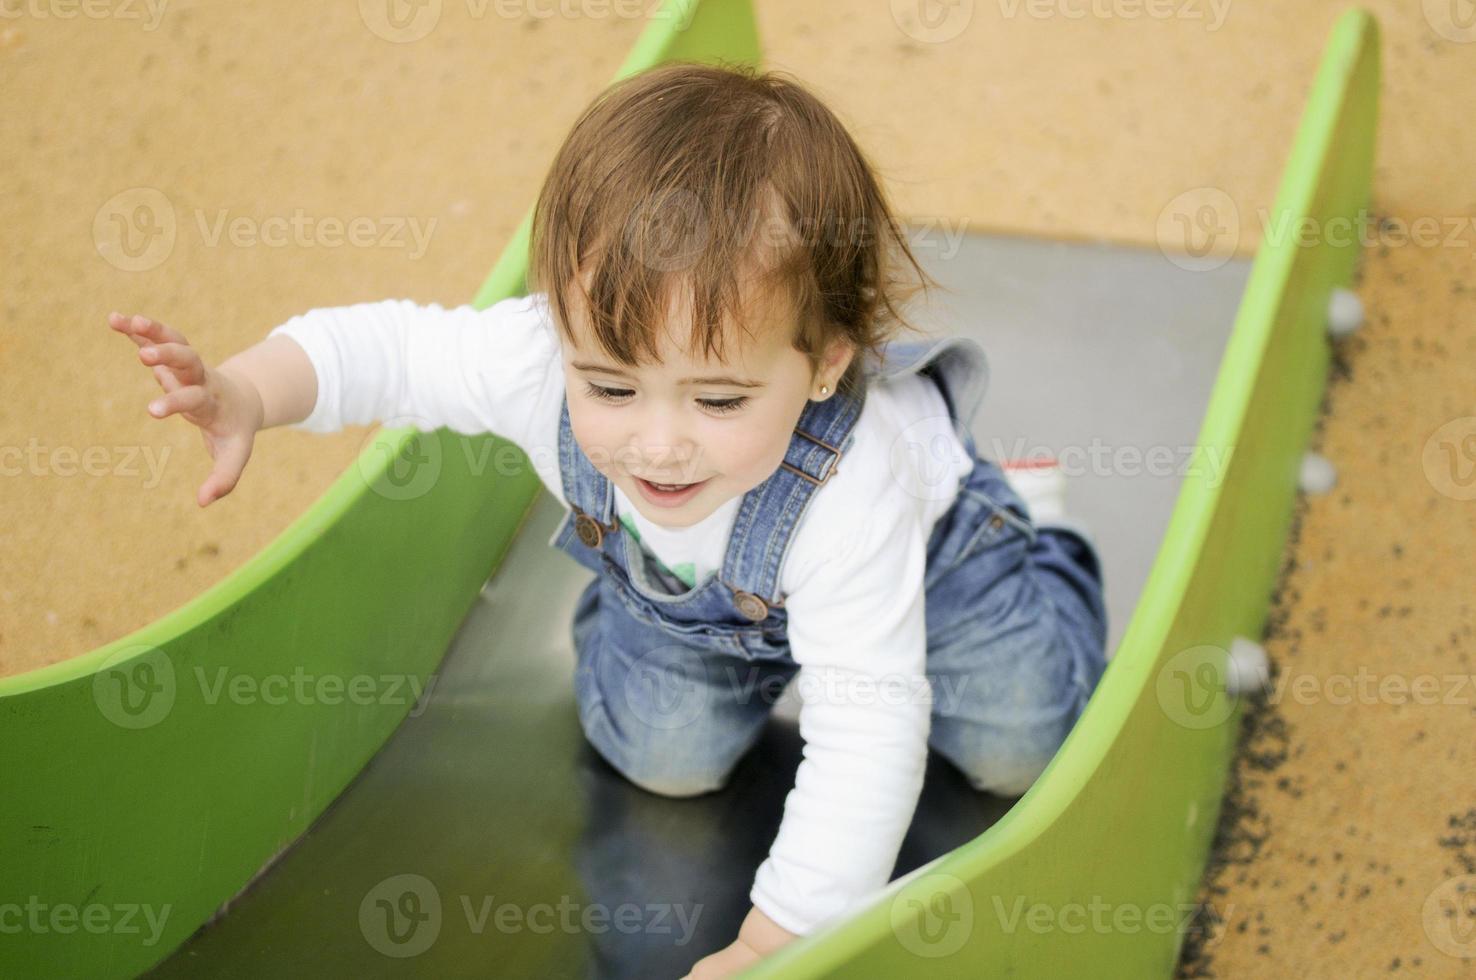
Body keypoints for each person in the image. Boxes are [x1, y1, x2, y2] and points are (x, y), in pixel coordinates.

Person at [107, 61, 1108, 979]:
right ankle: (633, 621)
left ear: (827, 363)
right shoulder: (539, 362)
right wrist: (248, 391)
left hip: (933, 565)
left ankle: (1034, 528)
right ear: (562, 327)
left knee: (1025, 738)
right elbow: (390, 350)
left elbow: (869, 725)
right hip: (696, 597)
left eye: (718, 401)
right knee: (663, 762)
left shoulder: (856, 486)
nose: (656, 444)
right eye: (611, 386)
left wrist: (774, 937)